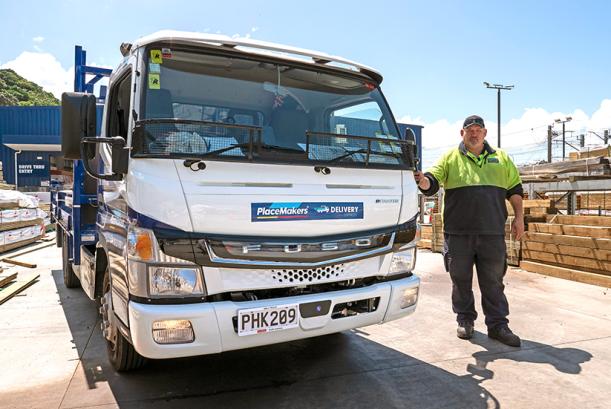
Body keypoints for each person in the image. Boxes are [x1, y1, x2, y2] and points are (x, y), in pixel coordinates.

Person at [414, 115, 524, 347]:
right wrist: (422, 180)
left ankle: (498, 326)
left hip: (492, 233)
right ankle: (465, 320)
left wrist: (520, 218)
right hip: (458, 234)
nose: (474, 134)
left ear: (485, 133)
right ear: (461, 133)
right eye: (469, 130)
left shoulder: (501, 158)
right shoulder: (450, 158)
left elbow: (515, 189)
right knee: (460, 280)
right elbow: (431, 182)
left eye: (478, 130)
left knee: (494, 281)